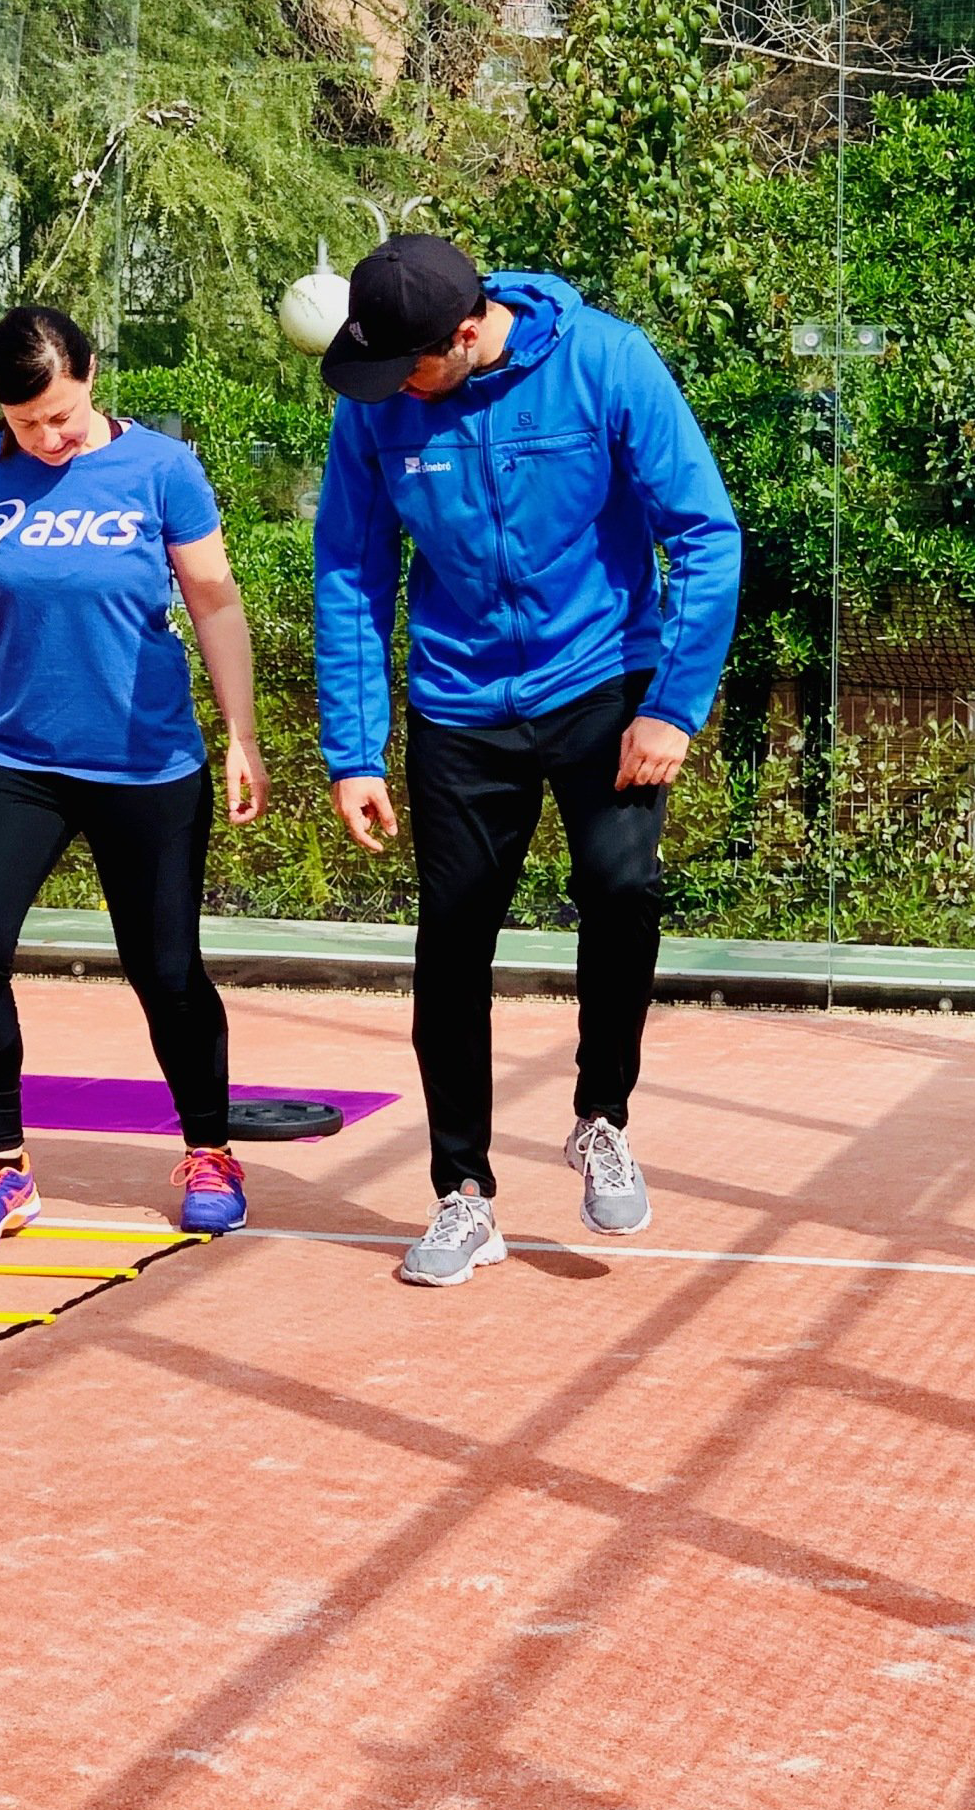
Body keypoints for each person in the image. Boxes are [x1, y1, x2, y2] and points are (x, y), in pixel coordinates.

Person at [312, 235, 741, 1285]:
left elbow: (705, 532)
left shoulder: (608, 362)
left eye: (411, 365)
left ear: (468, 333)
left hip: (602, 682)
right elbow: (351, 569)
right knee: (453, 941)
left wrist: (673, 708)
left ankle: (601, 1118)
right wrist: (354, 749)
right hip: (458, 702)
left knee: (621, 885)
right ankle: (463, 1194)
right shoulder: (376, 403)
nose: (395, 388)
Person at [0, 305, 267, 1251]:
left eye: (61, 416)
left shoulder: (162, 469)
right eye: (26, 422)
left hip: (147, 763)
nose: (48, 438)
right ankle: (3, 1168)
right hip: (15, 756)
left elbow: (216, 604)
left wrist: (242, 735)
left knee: (166, 972)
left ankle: (210, 1152)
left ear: (93, 375)